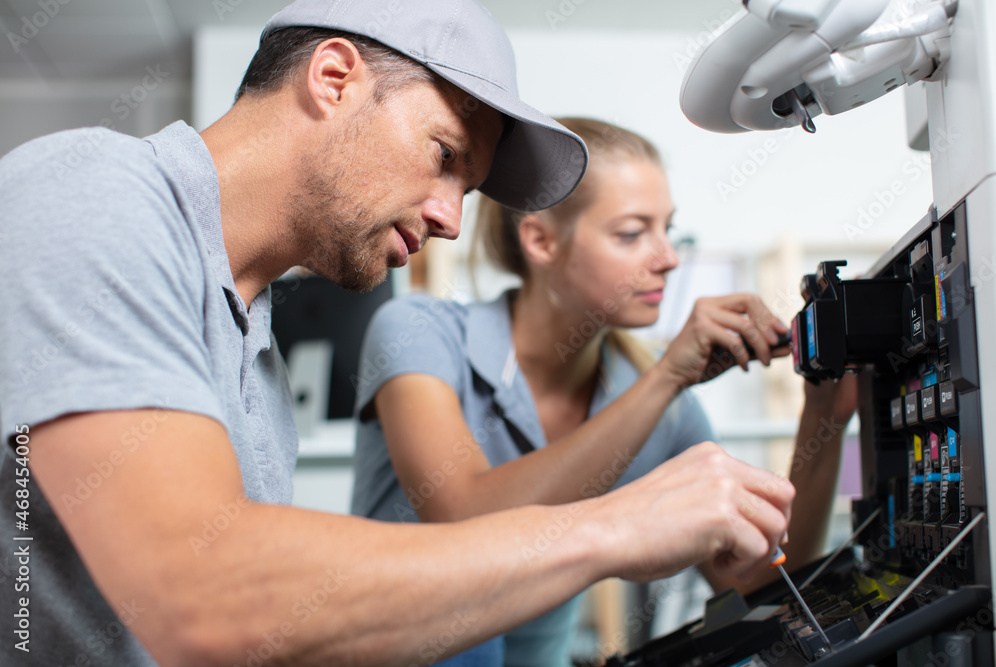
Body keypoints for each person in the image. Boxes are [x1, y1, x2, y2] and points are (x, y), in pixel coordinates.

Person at [0, 1, 796, 665]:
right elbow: (197, 592)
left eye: (469, 186)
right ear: (335, 79)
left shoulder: (258, 367)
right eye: (443, 155)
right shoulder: (97, 191)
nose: (452, 218)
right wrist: (617, 526)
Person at [351, 118, 856, 666]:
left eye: (668, 229)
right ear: (541, 240)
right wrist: (666, 378)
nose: (667, 257)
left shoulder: (659, 404)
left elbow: (761, 584)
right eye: (633, 233)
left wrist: (825, 411)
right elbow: (466, 519)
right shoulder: (418, 331)